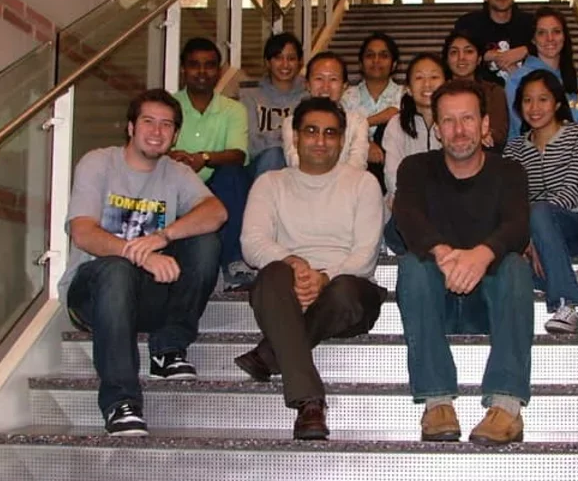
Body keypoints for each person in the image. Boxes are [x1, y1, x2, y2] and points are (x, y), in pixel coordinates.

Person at [59, 89, 227, 436]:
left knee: (205, 240)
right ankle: (121, 402)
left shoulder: (176, 173)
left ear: (175, 135)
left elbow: (216, 212)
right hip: (93, 293)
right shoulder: (99, 162)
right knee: (117, 269)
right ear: (131, 127)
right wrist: (141, 255)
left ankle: (168, 349)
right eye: (148, 121)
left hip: (146, 297)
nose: (157, 131)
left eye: (167, 125)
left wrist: (164, 237)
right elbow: (84, 233)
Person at [235, 97, 386, 440]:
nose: (320, 141)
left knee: (345, 289)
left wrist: (323, 278)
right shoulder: (270, 183)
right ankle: (310, 401)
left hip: (346, 293)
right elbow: (252, 242)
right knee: (272, 275)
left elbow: (365, 254)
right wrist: (294, 263)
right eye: (312, 131)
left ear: (343, 138)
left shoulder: (363, 183)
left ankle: (271, 353)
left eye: (330, 133)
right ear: (295, 137)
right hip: (288, 286)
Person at [394, 80, 533, 445]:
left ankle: (506, 407)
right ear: (437, 129)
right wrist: (443, 253)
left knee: (516, 267)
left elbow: (517, 227)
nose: (459, 130)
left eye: (468, 119)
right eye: (450, 121)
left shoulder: (510, 171)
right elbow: (406, 218)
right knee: (412, 266)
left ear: (485, 124)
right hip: (434, 301)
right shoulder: (415, 168)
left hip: (490, 304)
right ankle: (437, 402)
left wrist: (481, 255)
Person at [503, 70, 578, 335]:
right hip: (535, 234)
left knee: (540, 211)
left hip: (575, 225)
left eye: (543, 99)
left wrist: (532, 225)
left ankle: (566, 305)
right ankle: (573, 279)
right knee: (500, 260)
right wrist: (527, 234)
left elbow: (572, 189)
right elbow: (511, 200)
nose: (534, 108)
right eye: (527, 100)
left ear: (556, 103)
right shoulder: (514, 149)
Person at [169, 37, 252, 289]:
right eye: (195, 65)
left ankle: (232, 262)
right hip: (174, 188)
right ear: (183, 69)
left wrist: (202, 158)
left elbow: (238, 154)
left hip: (216, 188)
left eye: (210, 65)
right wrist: (171, 157)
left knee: (233, 173)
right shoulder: (168, 105)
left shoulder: (233, 109)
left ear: (219, 70)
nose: (202, 72)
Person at [382, 53, 446, 255]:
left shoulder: (455, 123)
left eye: (434, 77)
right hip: (406, 209)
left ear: (446, 83)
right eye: (419, 78)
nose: (427, 84)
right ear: (408, 89)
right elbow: (393, 176)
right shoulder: (396, 124)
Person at [503, 6, 578, 141]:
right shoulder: (517, 80)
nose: (550, 38)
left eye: (556, 31)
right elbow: (519, 129)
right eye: (542, 33)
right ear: (533, 40)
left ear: (564, 36)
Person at [280, 51, 368, 170]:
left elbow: (357, 164)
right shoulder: (292, 122)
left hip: (347, 186)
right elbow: (296, 162)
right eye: (319, 78)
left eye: (333, 79)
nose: (325, 86)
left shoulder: (358, 122)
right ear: (307, 85)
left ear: (344, 86)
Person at [238, 32, 308, 179]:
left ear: (300, 62)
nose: (285, 64)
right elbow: (251, 145)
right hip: (261, 165)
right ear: (267, 62)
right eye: (278, 58)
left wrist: (271, 138)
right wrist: (287, 139)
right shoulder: (250, 97)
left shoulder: (308, 97)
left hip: (300, 164)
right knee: (274, 155)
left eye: (291, 58)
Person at [454, 0, 535, 87]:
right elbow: (453, 58)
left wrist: (526, 50)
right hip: (480, 98)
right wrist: (483, 54)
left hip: (525, 97)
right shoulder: (468, 25)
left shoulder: (531, 24)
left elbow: (551, 54)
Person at [341, 32, 404, 187]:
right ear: (361, 63)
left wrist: (361, 125)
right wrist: (366, 143)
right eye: (370, 55)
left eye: (383, 55)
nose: (376, 61)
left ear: (394, 64)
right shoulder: (347, 97)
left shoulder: (405, 95)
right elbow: (341, 131)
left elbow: (395, 113)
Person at [442, 30, 509, 150]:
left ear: (479, 59)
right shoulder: (440, 94)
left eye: (469, 51)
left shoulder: (494, 92)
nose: (461, 58)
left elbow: (499, 135)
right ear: (447, 60)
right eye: (454, 52)